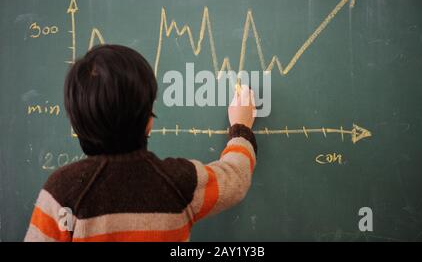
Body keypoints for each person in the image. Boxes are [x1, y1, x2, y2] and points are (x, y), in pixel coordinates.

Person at [24, 44, 257, 242]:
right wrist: (241, 127)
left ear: (76, 125)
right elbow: (235, 177)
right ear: (148, 122)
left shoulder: (61, 192)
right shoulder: (180, 183)